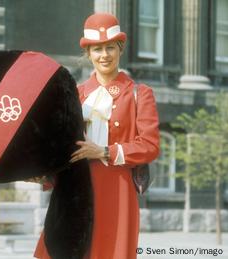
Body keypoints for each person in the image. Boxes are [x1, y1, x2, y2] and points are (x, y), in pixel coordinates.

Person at [34, 13, 160, 259]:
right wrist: (43, 174)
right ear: (88, 53)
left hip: (117, 192)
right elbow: (62, 147)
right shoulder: (74, 95)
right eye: (97, 49)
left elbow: (150, 145)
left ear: (120, 49)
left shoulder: (139, 94)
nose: (104, 55)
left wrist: (104, 151)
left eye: (110, 48)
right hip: (73, 191)